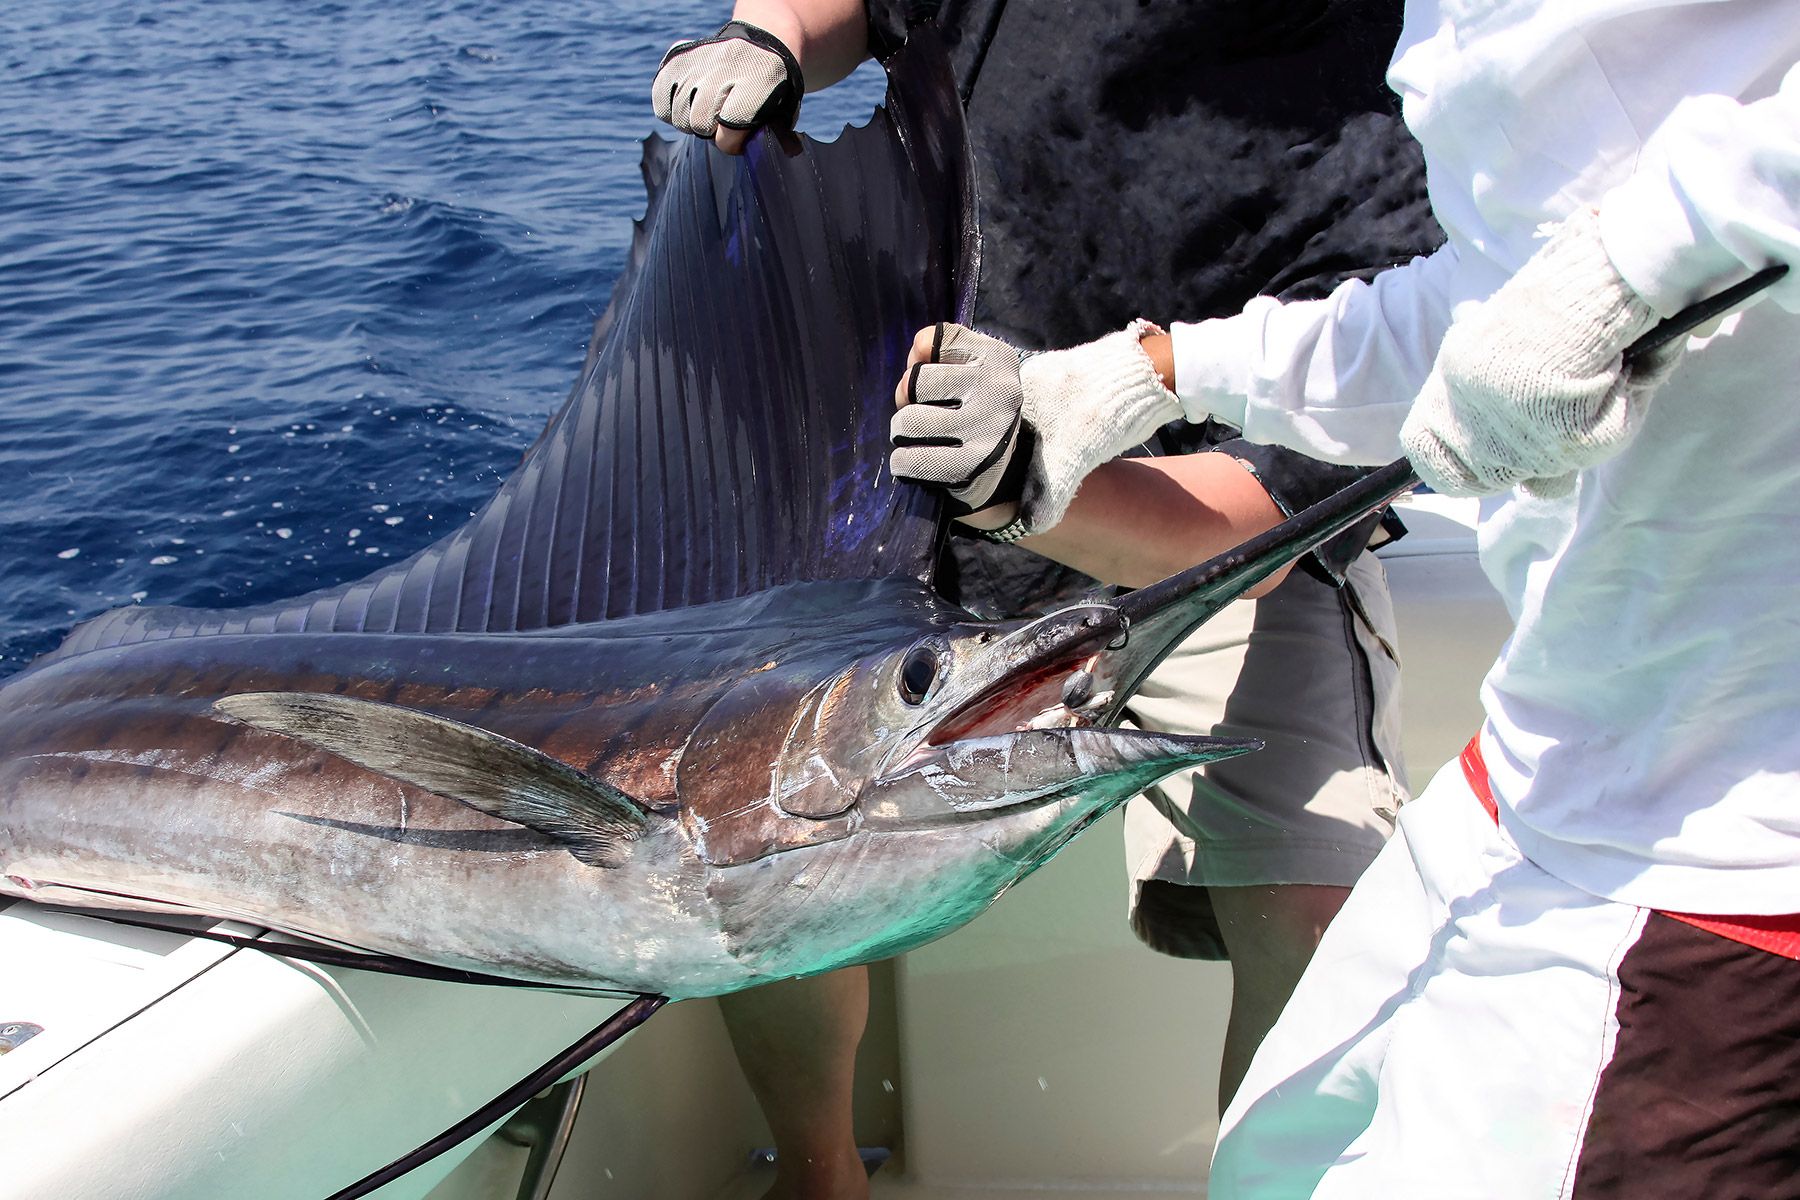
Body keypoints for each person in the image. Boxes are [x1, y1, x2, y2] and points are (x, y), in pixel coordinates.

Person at [892, 1, 1800, 1193]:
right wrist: (1151, 375)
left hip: (1721, 864)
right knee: (1282, 1161)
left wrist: (1628, 267)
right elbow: (1481, 301)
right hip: (1544, 765)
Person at [652, 3, 1439, 1196]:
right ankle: (819, 1175)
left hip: (1199, 544)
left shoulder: (1394, 117)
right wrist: (769, 39)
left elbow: (1265, 512)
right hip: (914, 492)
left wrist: (1037, 481)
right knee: (762, 824)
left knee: (1320, 889)